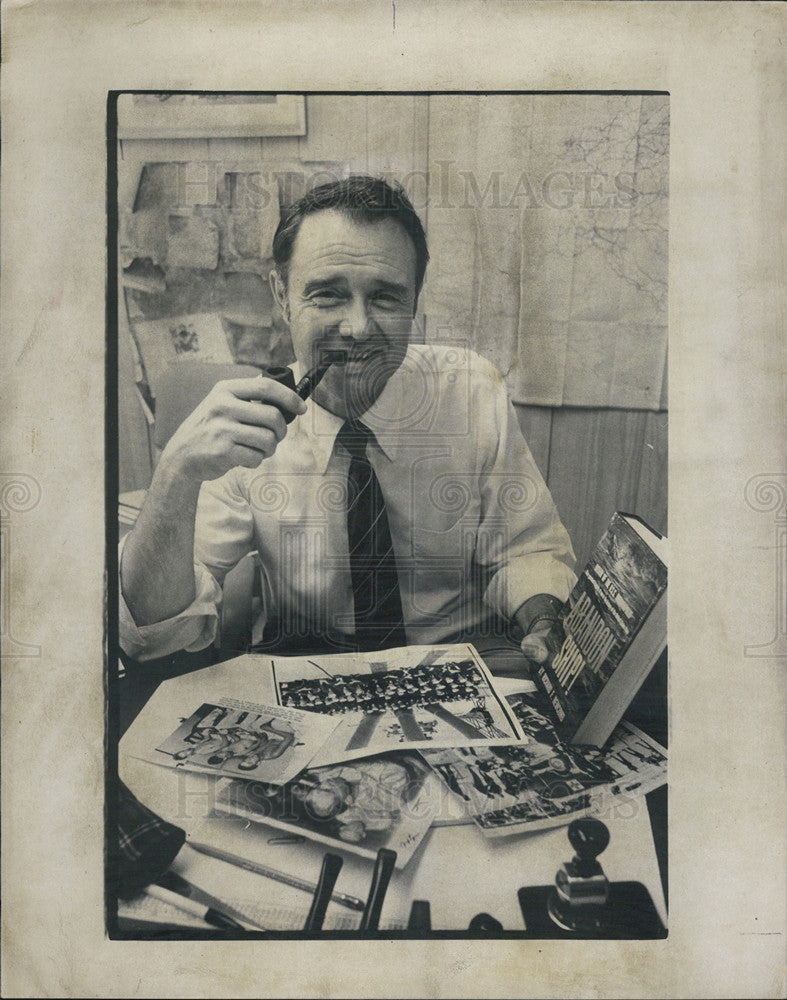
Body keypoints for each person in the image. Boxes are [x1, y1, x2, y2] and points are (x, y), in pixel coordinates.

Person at [120, 175, 575, 666]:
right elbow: (153, 632)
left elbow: (527, 553)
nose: (358, 329)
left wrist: (544, 622)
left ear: (414, 302)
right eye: (327, 295)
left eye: (385, 297)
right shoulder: (245, 428)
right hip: (311, 670)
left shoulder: (472, 392)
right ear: (281, 296)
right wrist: (174, 475)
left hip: (457, 664)